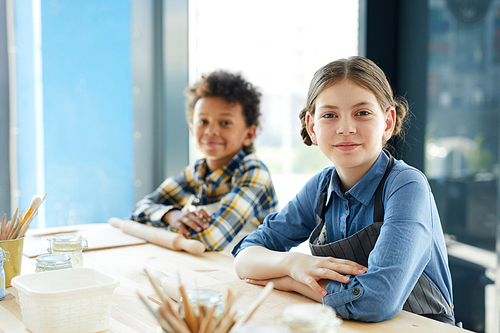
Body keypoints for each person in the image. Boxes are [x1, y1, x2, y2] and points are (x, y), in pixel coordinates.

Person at [232, 56, 456, 325]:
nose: (346, 128)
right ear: (312, 127)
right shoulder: (320, 188)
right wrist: (295, 265)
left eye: (362, 113)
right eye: (330, 115)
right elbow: (246, 255)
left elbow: (376, 301)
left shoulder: (407, 186)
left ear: (387, 122)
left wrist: (292, 283)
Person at [131, 70, 279, 252]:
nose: (211, 131)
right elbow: (139, 210)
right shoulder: (196, 172)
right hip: (212, 268)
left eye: (225, 123)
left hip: (257, 274)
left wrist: (163, 228)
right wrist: (172, 215)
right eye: (203, 122)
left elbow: (210, 239)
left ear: (249, 134)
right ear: (192, 130)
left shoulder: (255, 172)